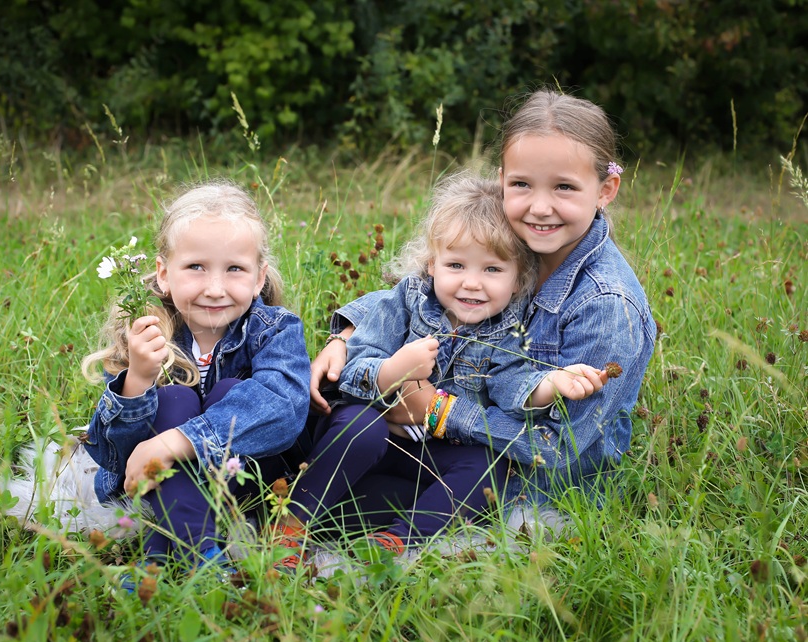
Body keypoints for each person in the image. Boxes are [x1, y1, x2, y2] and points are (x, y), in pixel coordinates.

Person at [310, 89, 657, 539]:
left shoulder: (606, 306)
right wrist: (345, 335)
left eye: (565, 187)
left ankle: (387, 547)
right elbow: (421, 291)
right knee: (326, 431)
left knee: (365, 498)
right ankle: (295, 519)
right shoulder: (512, 242)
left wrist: (436, 410)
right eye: (522, 185)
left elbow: (558, 446)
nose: (540, 206)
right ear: (502, 181)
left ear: (606, 189)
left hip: (524, 490)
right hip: (441, 454)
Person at [275, 174, 607, 564]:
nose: (472, 283)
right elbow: (353, 369)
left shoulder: (509, 330)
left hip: (433, 453)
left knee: (487, 468)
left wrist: (551, 384)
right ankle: (291, 525)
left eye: (492, 270)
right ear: (432, 264)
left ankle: (395, 542)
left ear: (519, 280)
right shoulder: (407, 300)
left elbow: (512, 385)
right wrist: (394, 370)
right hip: (373, 431)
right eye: (456, 264)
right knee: (361, 429)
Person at [80, 181, 311, 583]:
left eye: (234, 269)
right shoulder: (145, 330)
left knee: (230, 395)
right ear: (164, 273)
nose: (215, 288)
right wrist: (137, 377)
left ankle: (157, 556)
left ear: (259, 278)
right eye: (196, 267)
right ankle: (203, 554)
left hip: (246, 483)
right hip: (147, 483)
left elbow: (284, 407)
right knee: (173, 400)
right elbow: (114, 454)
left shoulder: (275, 330)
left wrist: (174, 442)